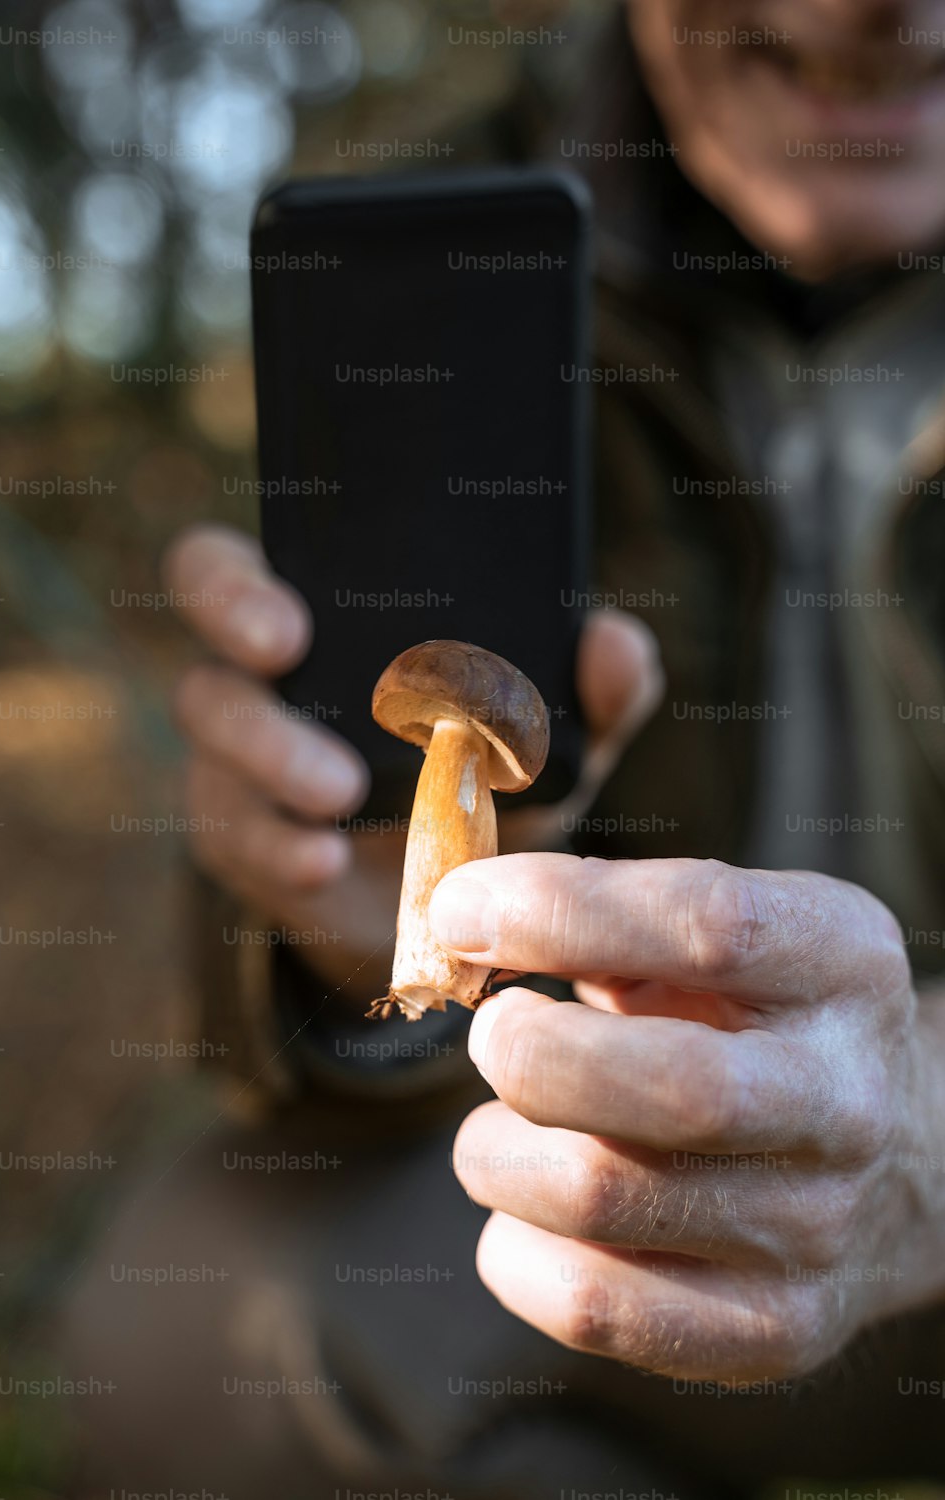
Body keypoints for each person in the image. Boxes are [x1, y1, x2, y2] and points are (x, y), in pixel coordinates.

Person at [67, 2, 945, 1494]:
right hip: (608, 1165)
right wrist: (347, 949)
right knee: (182, 1338)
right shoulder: (423, 208)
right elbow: (293, 1030)